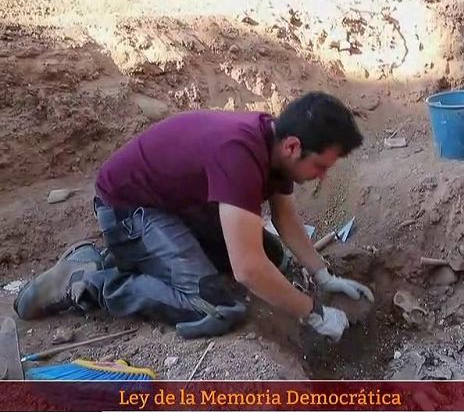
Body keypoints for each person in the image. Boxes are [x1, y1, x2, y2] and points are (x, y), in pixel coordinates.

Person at [14, 91, 373, 341]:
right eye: (321, 165)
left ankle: (141, 259)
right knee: (215, 306)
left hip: (177, 207)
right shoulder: (239, 154)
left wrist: (323, 276)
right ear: (294, 146)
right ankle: (93, 280)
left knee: (274, 256)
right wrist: (313, 312)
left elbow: (285, 218)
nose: (323, 176)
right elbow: (248, 270)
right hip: (129, 211)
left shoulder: (273, 142)